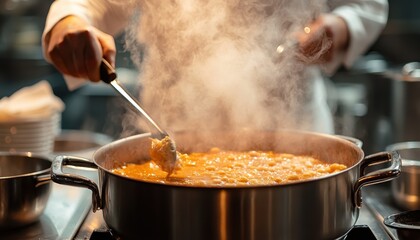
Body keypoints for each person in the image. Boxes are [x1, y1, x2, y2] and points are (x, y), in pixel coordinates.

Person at [42, 0, 388, 134]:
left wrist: (338, 28)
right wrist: (69, 22)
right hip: (176, 133)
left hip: (295, 131)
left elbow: (367, 4)